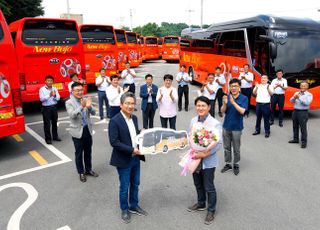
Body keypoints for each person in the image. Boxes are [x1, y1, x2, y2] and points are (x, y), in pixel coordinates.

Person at [108, 92, 147, 224]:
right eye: (127, 103)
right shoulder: (114, 121)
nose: (130, 106)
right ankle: (124, 209)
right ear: (121, 105)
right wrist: (132, 150)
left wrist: (142, 134)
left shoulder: (134, 118)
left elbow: (133, 135)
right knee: (124, 186)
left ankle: (134, 205)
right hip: (124, 159)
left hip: (136, 158)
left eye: (132, 103)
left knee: (136, 183)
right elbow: (114, 142)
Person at [187, 96, 222, 225]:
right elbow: (189, 136)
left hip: (208, 160)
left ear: (209, 107)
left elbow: (218, 143)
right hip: (194, 158)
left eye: (203, 106)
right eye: (198, 106)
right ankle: (201, 203)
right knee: (197, 183)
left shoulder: (215, 123)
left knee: (209, 186)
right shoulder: (193, 121)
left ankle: (211, 210)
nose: (200, 108)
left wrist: (204, 154)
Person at [65, 82, 99, 182]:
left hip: (87, 130)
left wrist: (88, 106)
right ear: (72, 91)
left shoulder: (85, 99)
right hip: (77, 131)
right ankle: (81, 172)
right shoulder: (69, 102)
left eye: (81, 90)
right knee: (79, 153)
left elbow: (93, 112)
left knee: (88, 152)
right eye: (77, 90)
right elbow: (72, 115)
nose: (80, 92)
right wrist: (81, 106)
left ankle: (88, 169)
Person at [220, 78, 248, 175]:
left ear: (239, 87)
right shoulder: (227, 97)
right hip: (226, 126)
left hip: (237, 128)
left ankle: (236, 164)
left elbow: (242, 111)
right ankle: (228, 164)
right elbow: (222, 111)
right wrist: (224, 104)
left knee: (236, 148)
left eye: (236, 86)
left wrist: (233, 103)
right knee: (226, 147)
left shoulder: (244, 98)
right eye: (232, 86)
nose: (233, 88)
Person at [288, 81, 313, 148]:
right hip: (295, 111)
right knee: (295, 126)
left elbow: (307, 103)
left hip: (303, 112)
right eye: (301, 85)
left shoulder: (309, 95)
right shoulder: (296, 93)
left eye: (304, 86)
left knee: (303, 128)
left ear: (307, 87)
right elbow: (291, 101)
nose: (302, 87)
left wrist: (299, 98)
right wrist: (294, 98)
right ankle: (295, 139)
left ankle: (304, 142)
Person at [39, 75, 61, 144]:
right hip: (46, 108)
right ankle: (48, 138)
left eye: (51, 81)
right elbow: (41, 99)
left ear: (53, 82)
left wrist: (54, 96)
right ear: (45, 81)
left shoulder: (55, 89)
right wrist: (49, 95)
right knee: (47, 124)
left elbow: (58, 98)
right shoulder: (42, 89)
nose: (49, 82)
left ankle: (55, 136)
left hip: (54, 107)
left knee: (55, 122)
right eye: (48, 81)